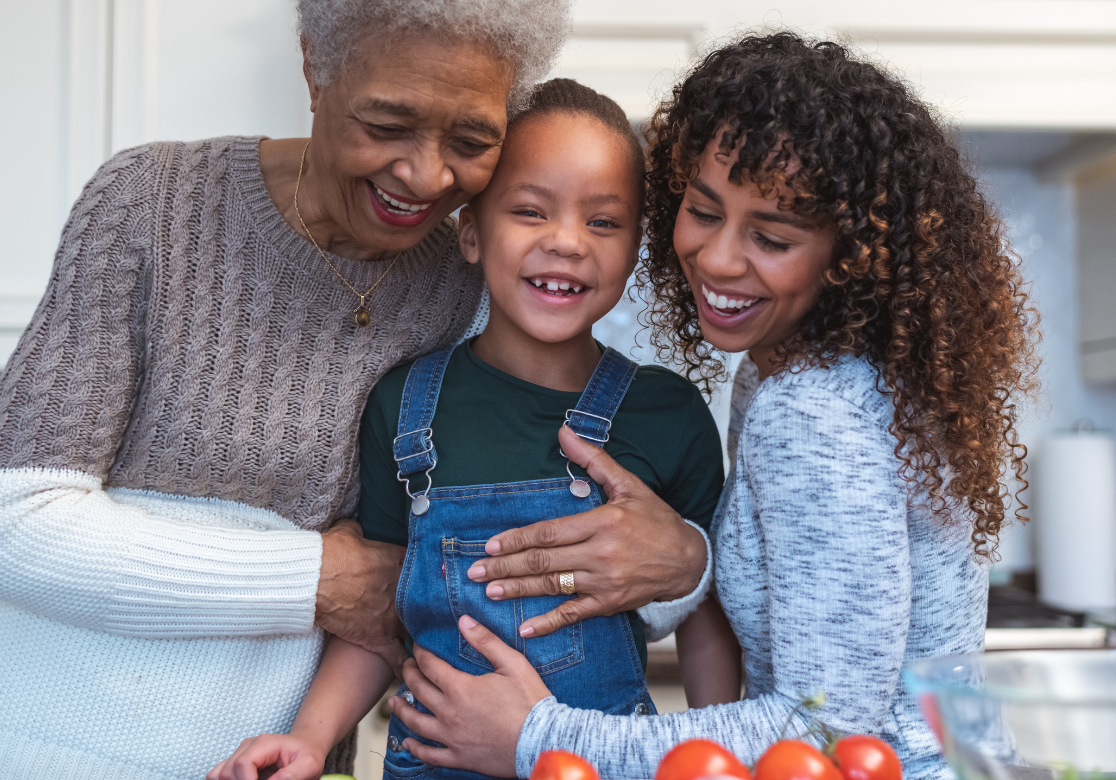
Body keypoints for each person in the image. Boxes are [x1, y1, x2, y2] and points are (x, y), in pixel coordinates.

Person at [0, 4, 719, 778]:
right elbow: (4, 532)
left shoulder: (463, 278)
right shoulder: (150, 205)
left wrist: (687, 560)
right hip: (19, 752)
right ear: (314, 70)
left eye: (469, 138)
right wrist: (320, 580)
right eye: (387, 123)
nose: (424, 172)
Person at [383, 31, 1039, 780]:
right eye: (703, 210)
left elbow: (823, 726)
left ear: (848, 252)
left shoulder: (811, 411)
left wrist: (538, 738)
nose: (720, 258)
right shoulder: (803, 373)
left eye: (770, 236)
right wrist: (691, 558)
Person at [208, 78, 742, 780]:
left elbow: (707, 616)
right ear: (470, 232)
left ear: (637, 245)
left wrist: (722, 757)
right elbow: (380, 618)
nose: (567, 242)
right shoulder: (404, 405)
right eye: (529, 211)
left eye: (604, 222)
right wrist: (310, 737)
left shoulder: (667, 414)